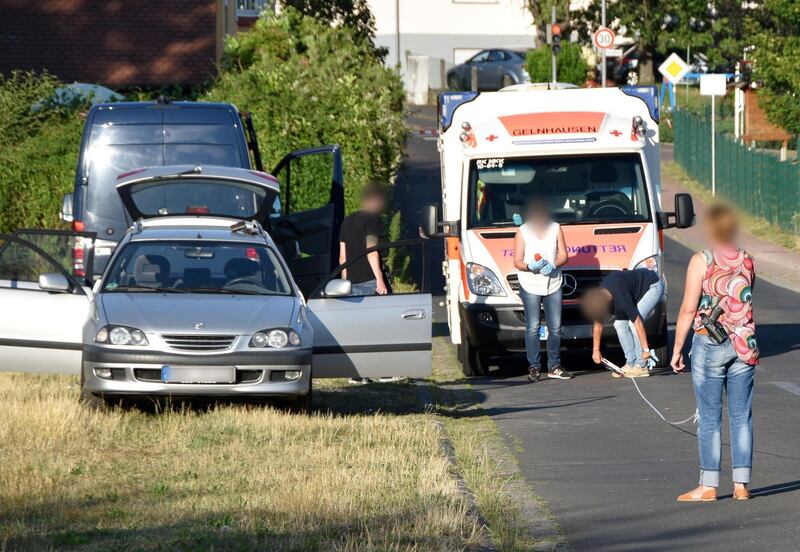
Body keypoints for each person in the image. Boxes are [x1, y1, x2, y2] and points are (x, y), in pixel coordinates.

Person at [670, 203, 758, 502]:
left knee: (709, 417)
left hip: (710, 344)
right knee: (741, 416)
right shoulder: (748, 260)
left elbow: (688, 309)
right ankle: (741, 485)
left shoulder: (702, 260)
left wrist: (677, 348)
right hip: (744, 344)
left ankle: (708, 485)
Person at [513, 196, 572, 381]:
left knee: (555, 327)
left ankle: (554, 366)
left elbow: (564, 255)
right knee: (533, 326)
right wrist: (530, 266)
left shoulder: (556, 228)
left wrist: (553, 265)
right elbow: (517, 261)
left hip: (553, 283)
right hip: (530, 284)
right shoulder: (522, 231)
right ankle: (534, 367)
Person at [339, 182, 388, 384]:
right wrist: (380, 279)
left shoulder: (347, 221)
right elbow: (371, 250)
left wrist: (344, 284)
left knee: (357, 331)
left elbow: (342, 258)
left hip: (350, 282)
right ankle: (388, 372)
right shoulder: (373, 219)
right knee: (381, 327)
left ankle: (358, 374)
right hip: (369, 280)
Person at [582, 268, 665, 378]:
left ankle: (641, 366)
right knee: (619, 324)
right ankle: (631, 363)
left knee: (632, 324)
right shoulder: (598, 298)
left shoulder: (620, 296)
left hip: (652, 286)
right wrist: (595, 350)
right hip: (633, 291)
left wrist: (646, 350)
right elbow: (597, 325)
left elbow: (638, 323)